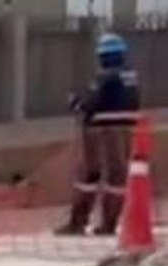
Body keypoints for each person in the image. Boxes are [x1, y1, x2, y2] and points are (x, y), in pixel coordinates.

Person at [55, 33, 141, 237]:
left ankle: (78, 221)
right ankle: (109, 224)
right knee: (118, 176)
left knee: (89, 174)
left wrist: (75, 103)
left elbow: (90, 104)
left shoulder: (104, 77)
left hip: (101, 129)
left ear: (103, 56)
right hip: (127, 128)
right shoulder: (131, 76)